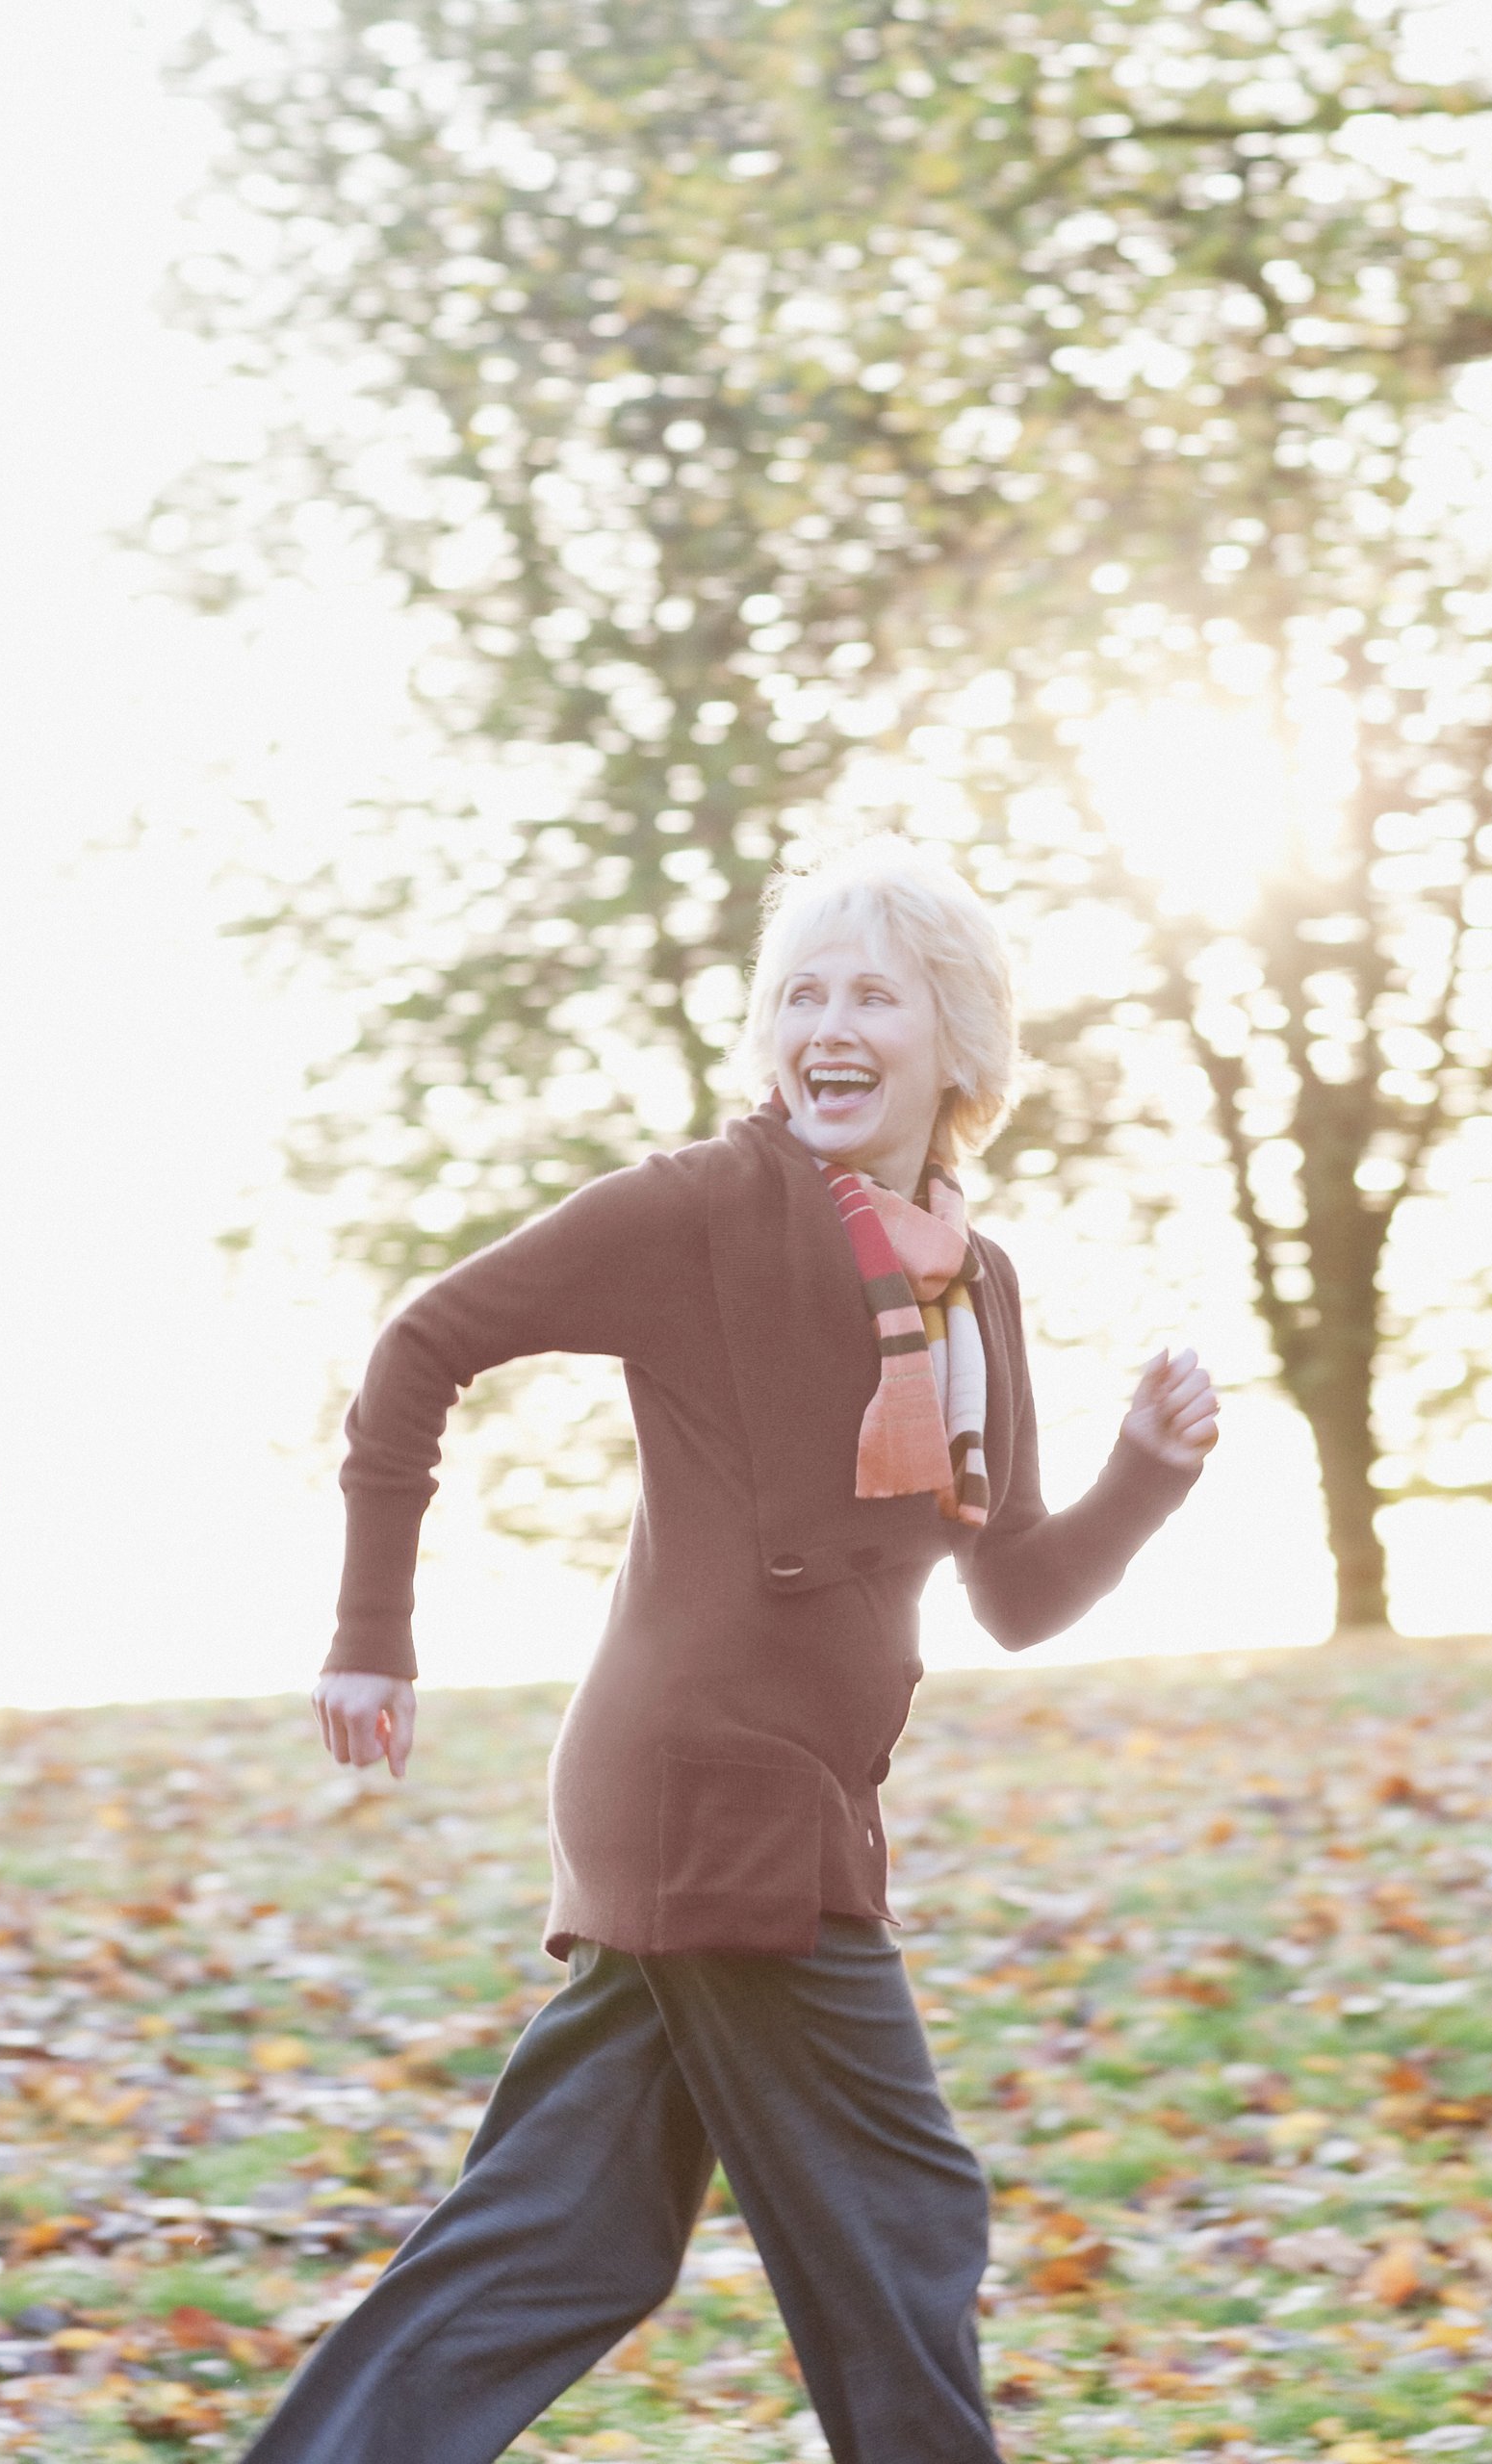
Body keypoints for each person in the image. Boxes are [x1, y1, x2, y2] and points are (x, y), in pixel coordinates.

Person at [247, 838, 1222, 2464]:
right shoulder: (702, 1208)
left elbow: (1020, 1594)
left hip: (786, 1803)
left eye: (873, 994)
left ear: (960, 1048)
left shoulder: (972, 1287)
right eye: (800, 996)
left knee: (572, 2241)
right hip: (713, 1793)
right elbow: (425, 1343)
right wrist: (371, 1632)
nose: (827, 1025)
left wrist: (1149, 1472)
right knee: (904, 2215)